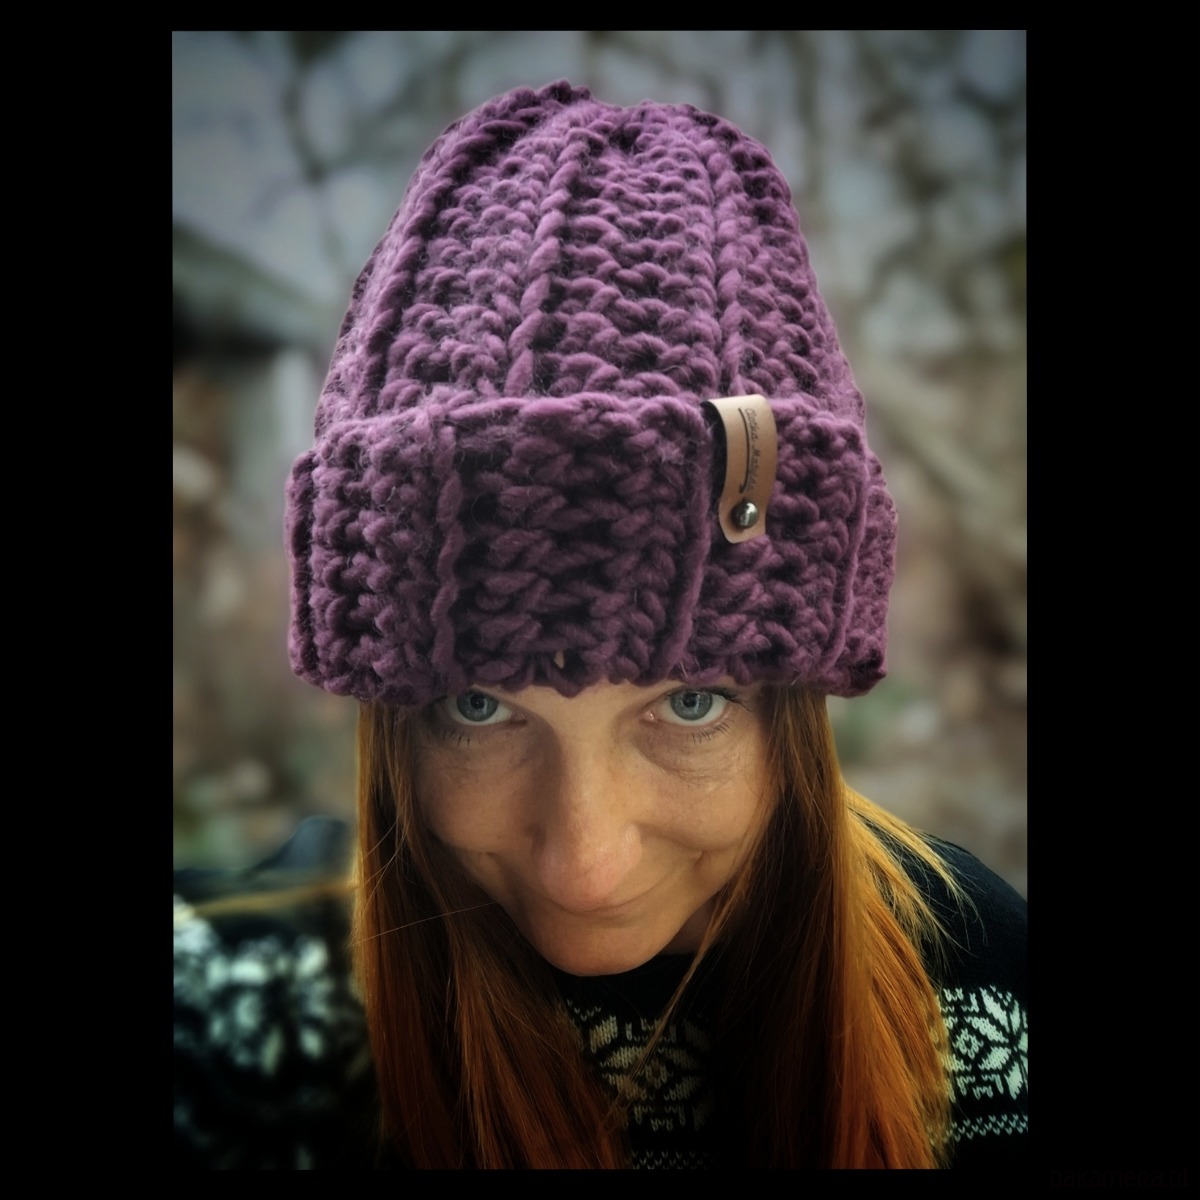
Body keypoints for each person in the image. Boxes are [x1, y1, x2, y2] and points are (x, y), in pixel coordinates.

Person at [173, 80, 1027, 1170]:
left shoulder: (982, 993)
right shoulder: (249, 1031)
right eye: (479, 708)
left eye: (690, 702)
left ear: (795, 713)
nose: (588, 866)